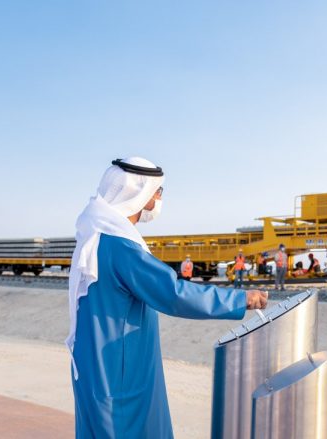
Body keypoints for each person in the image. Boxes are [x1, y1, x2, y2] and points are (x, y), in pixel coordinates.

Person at [67, 157, 268, 438]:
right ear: (140, 193)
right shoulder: (121, 247)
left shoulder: (96, 237)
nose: (160, 197)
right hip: (120, 370)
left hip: (94, 364)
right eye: (158, 191)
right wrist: (240, 299)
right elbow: (173, 293)